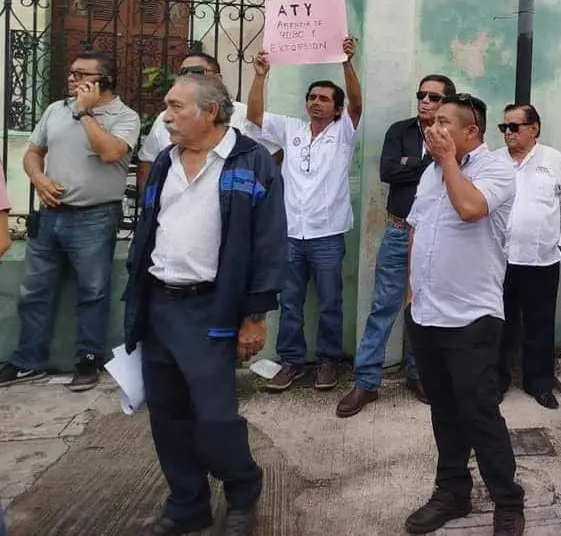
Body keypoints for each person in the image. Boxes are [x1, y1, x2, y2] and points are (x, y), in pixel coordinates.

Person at [123, 75, 285, 536]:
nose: (166, 116)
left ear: (209, 111)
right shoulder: (165, 163)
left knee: (214, 416)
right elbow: (148, 231)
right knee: (168, 416)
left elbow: (269, 244)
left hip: (212, 309)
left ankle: (241, 489)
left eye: (175, 107)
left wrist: (254, 316)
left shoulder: (251, 162)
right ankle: (187, 504)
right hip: (158, 305)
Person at [404, 94, 525, 536]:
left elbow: (471, 209)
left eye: (443, 122)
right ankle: (452, 490)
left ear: (470, 132)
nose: (432, 128)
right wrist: (411, 292)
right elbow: (417, 229)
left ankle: (508, 501)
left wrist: (447, 161)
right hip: (427, 313)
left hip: (472, 315)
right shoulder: (431, 172)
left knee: (479, 411)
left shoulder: (497, 170)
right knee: (444, 409)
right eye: (430, 122)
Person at [0, 52, 140, 391]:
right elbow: (34, 152)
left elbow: (110, 152)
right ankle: (27, 361)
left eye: (81, 74)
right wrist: (40, 181)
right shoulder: (54, 110)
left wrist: (85, 112)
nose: (72, 79)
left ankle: (87, 360)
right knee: (34, 292)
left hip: (95, 218)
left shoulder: (126, 117)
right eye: (71, 72)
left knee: (92, 292)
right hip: (50, 217)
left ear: (104, 81)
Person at [248, 38, 362, 393]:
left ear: (337, 108)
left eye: (325, 99)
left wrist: (346, 62)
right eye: (312, 97)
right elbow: (254, 117)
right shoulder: (292, 129)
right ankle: (292, 362)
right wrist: (260, 76)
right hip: (291, 234)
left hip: (327, 234)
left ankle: (328, 361)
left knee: (330, 301)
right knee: (290, 302)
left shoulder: (343, 133)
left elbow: (358, 104)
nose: (316, 103)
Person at [339, 74, 457, 416]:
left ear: (445, 102)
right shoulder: (400, 131)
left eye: (434, 97)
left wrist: (412, 164)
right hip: (398, 229)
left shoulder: (452, 135)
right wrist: (426, 163)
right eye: (421, 94)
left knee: (424, 307)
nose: (425, 101)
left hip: (436, 235)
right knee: (384, 305)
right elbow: (388, 172)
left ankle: (418, 374)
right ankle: (366, 382)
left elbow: (452, 170)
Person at [496, 103, 561, 410]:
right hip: (501, 260)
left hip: (542, 260)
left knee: (540, 324)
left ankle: (539, 383)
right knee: (500, 324)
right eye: (504, 127)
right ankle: (497, 381)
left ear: (534, 128)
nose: (507, 132)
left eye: (514, 126)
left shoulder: (553, 160)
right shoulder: (494, 162)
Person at [137, 51, 279, 193]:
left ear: (218, 78)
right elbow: (148, 160)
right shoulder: (164, 119)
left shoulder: (244, 115)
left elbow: (275, 154)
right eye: (183, 73)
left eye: (197, 72)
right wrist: (149, 203)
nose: (189, 78)